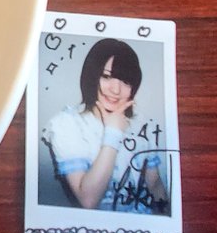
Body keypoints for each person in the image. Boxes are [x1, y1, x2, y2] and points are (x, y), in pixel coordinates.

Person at [42, 38, 169, 213]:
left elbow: (155, 185)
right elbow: (88, 199)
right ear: (92, 76)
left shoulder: (141, 124)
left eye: (125, 81)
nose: (115, 89)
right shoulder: (66, 125)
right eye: (107, 76)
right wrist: (113, 133)